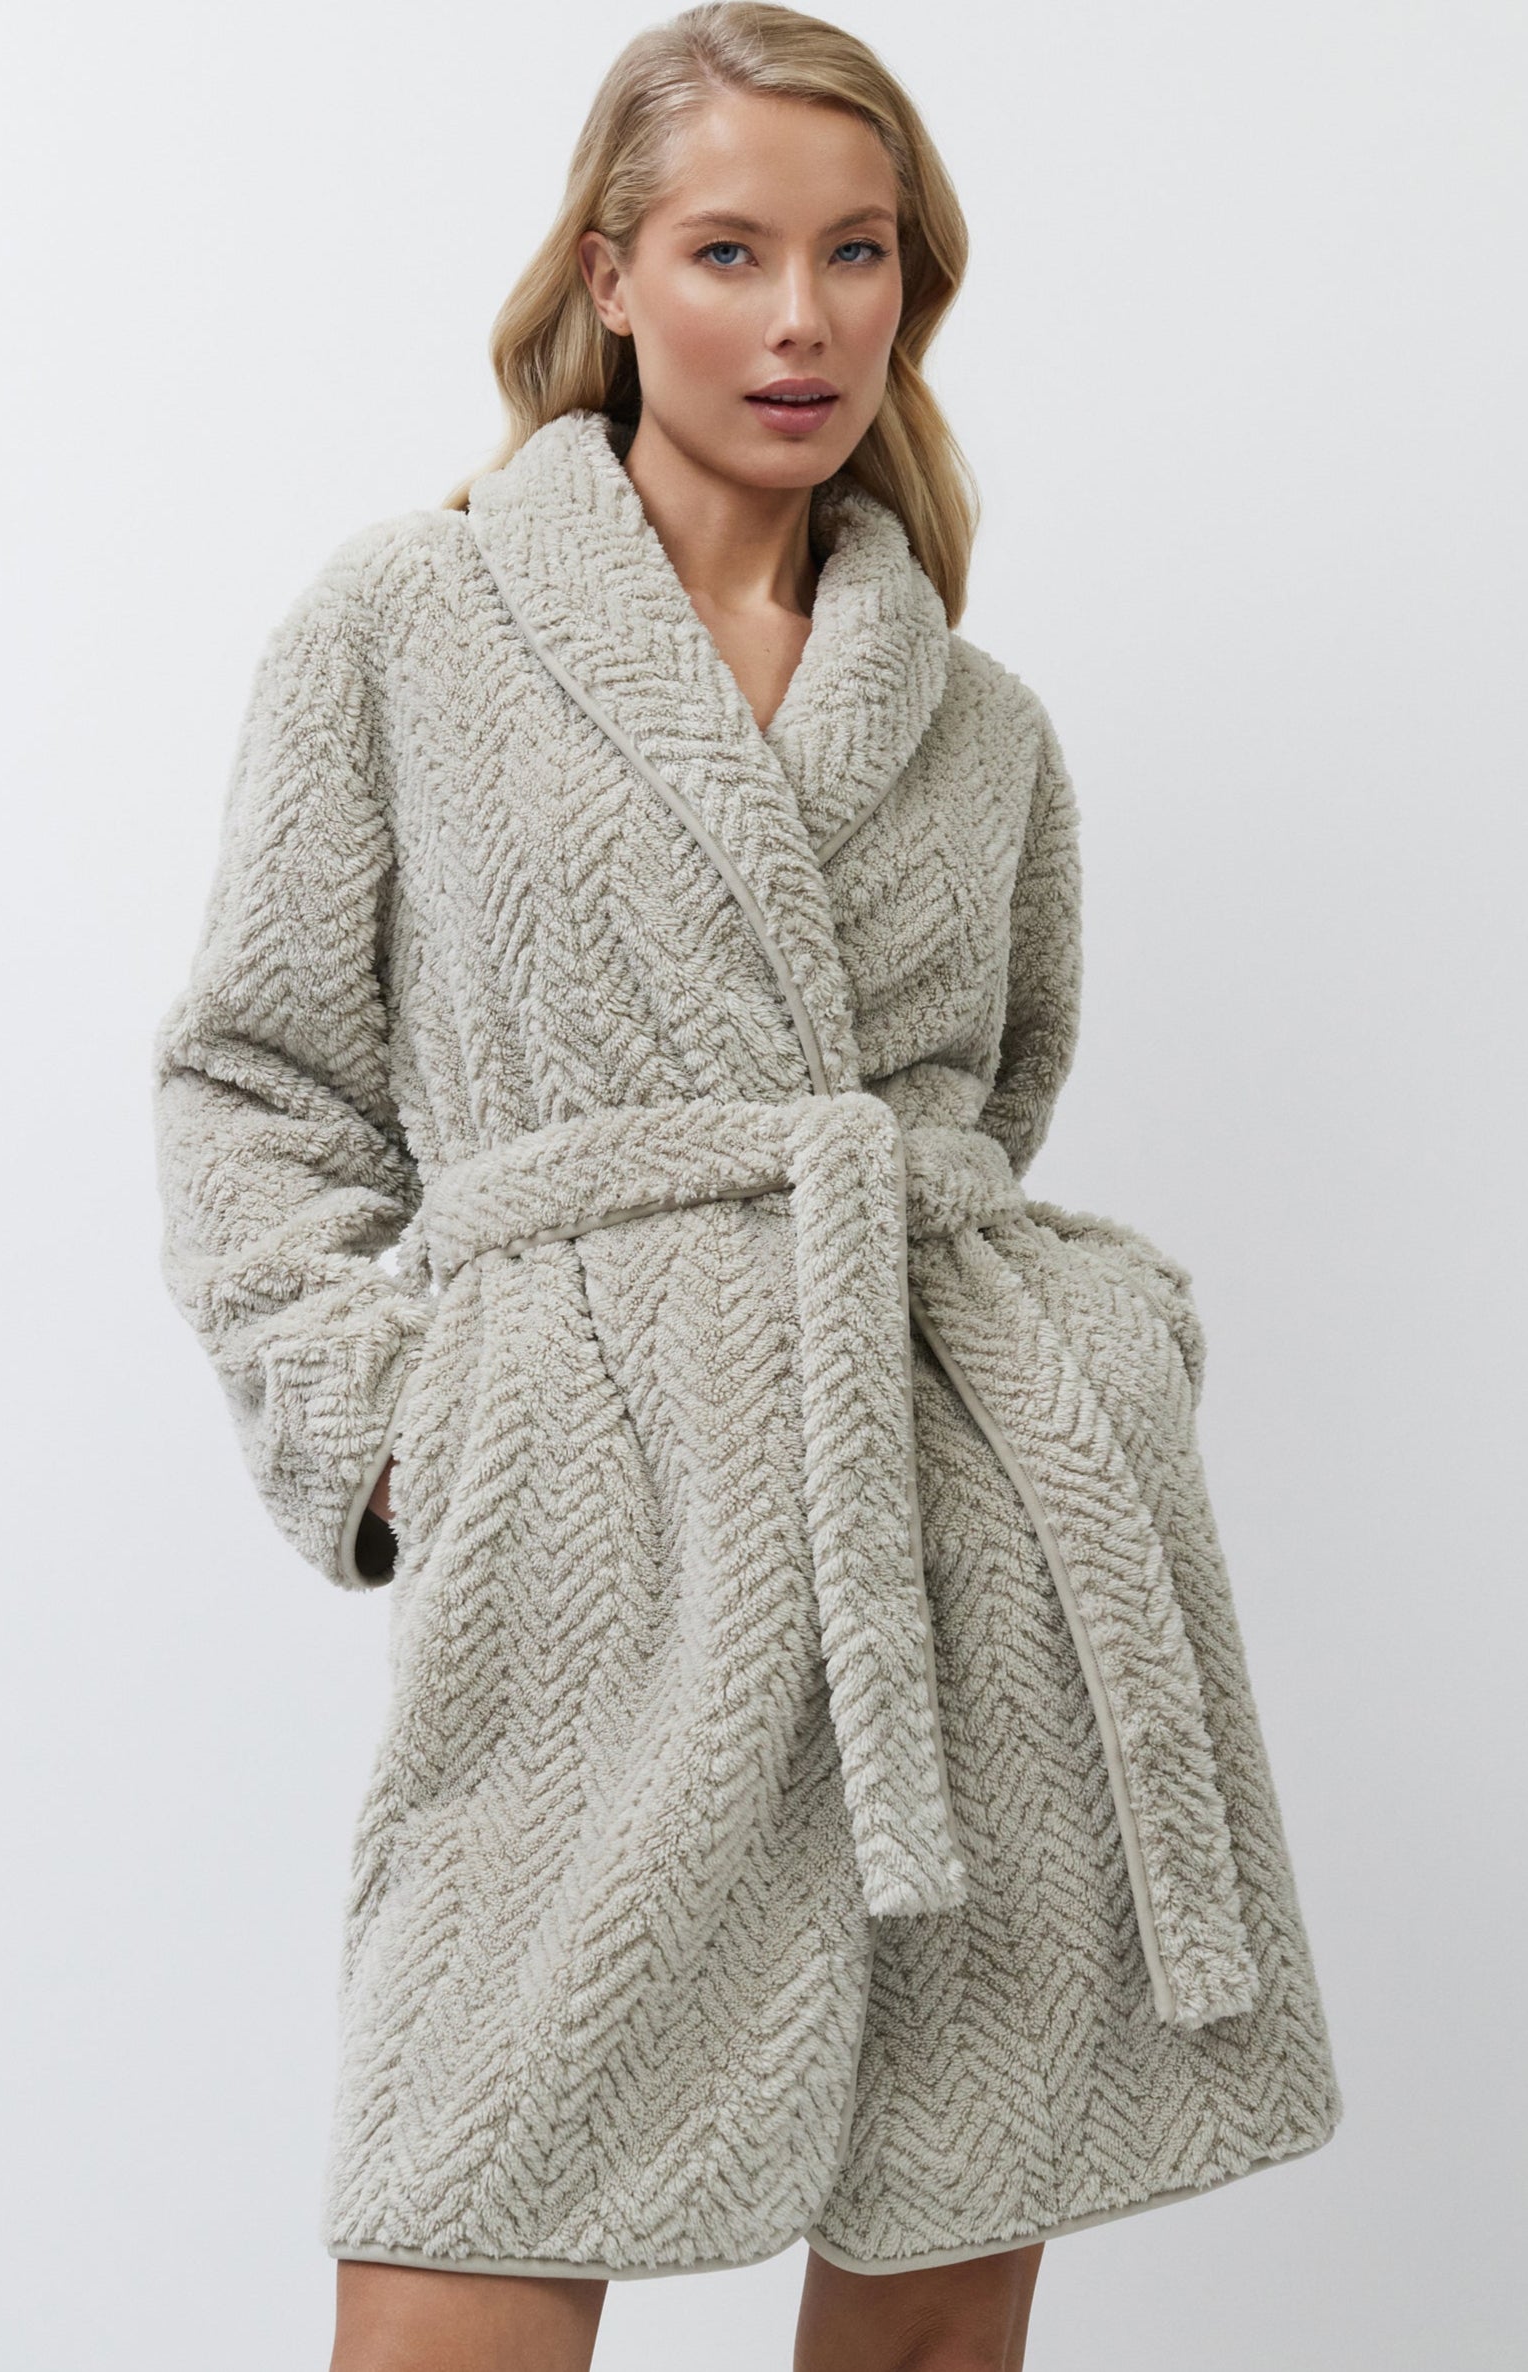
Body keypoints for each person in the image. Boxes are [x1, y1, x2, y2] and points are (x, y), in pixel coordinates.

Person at [151, 7, 1342, 2367]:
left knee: (928, 2295)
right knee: (459, 2244)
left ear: (910, 288)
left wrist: (1081, 1361)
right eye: (725, 250)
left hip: (953, 1544)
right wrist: (408, 1432)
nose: (797, 321)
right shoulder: (407, 623)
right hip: (590, 1539)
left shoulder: (977, 727)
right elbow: (251, 1084)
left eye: (854, 255)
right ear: (606, 276)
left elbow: (984, 1111)